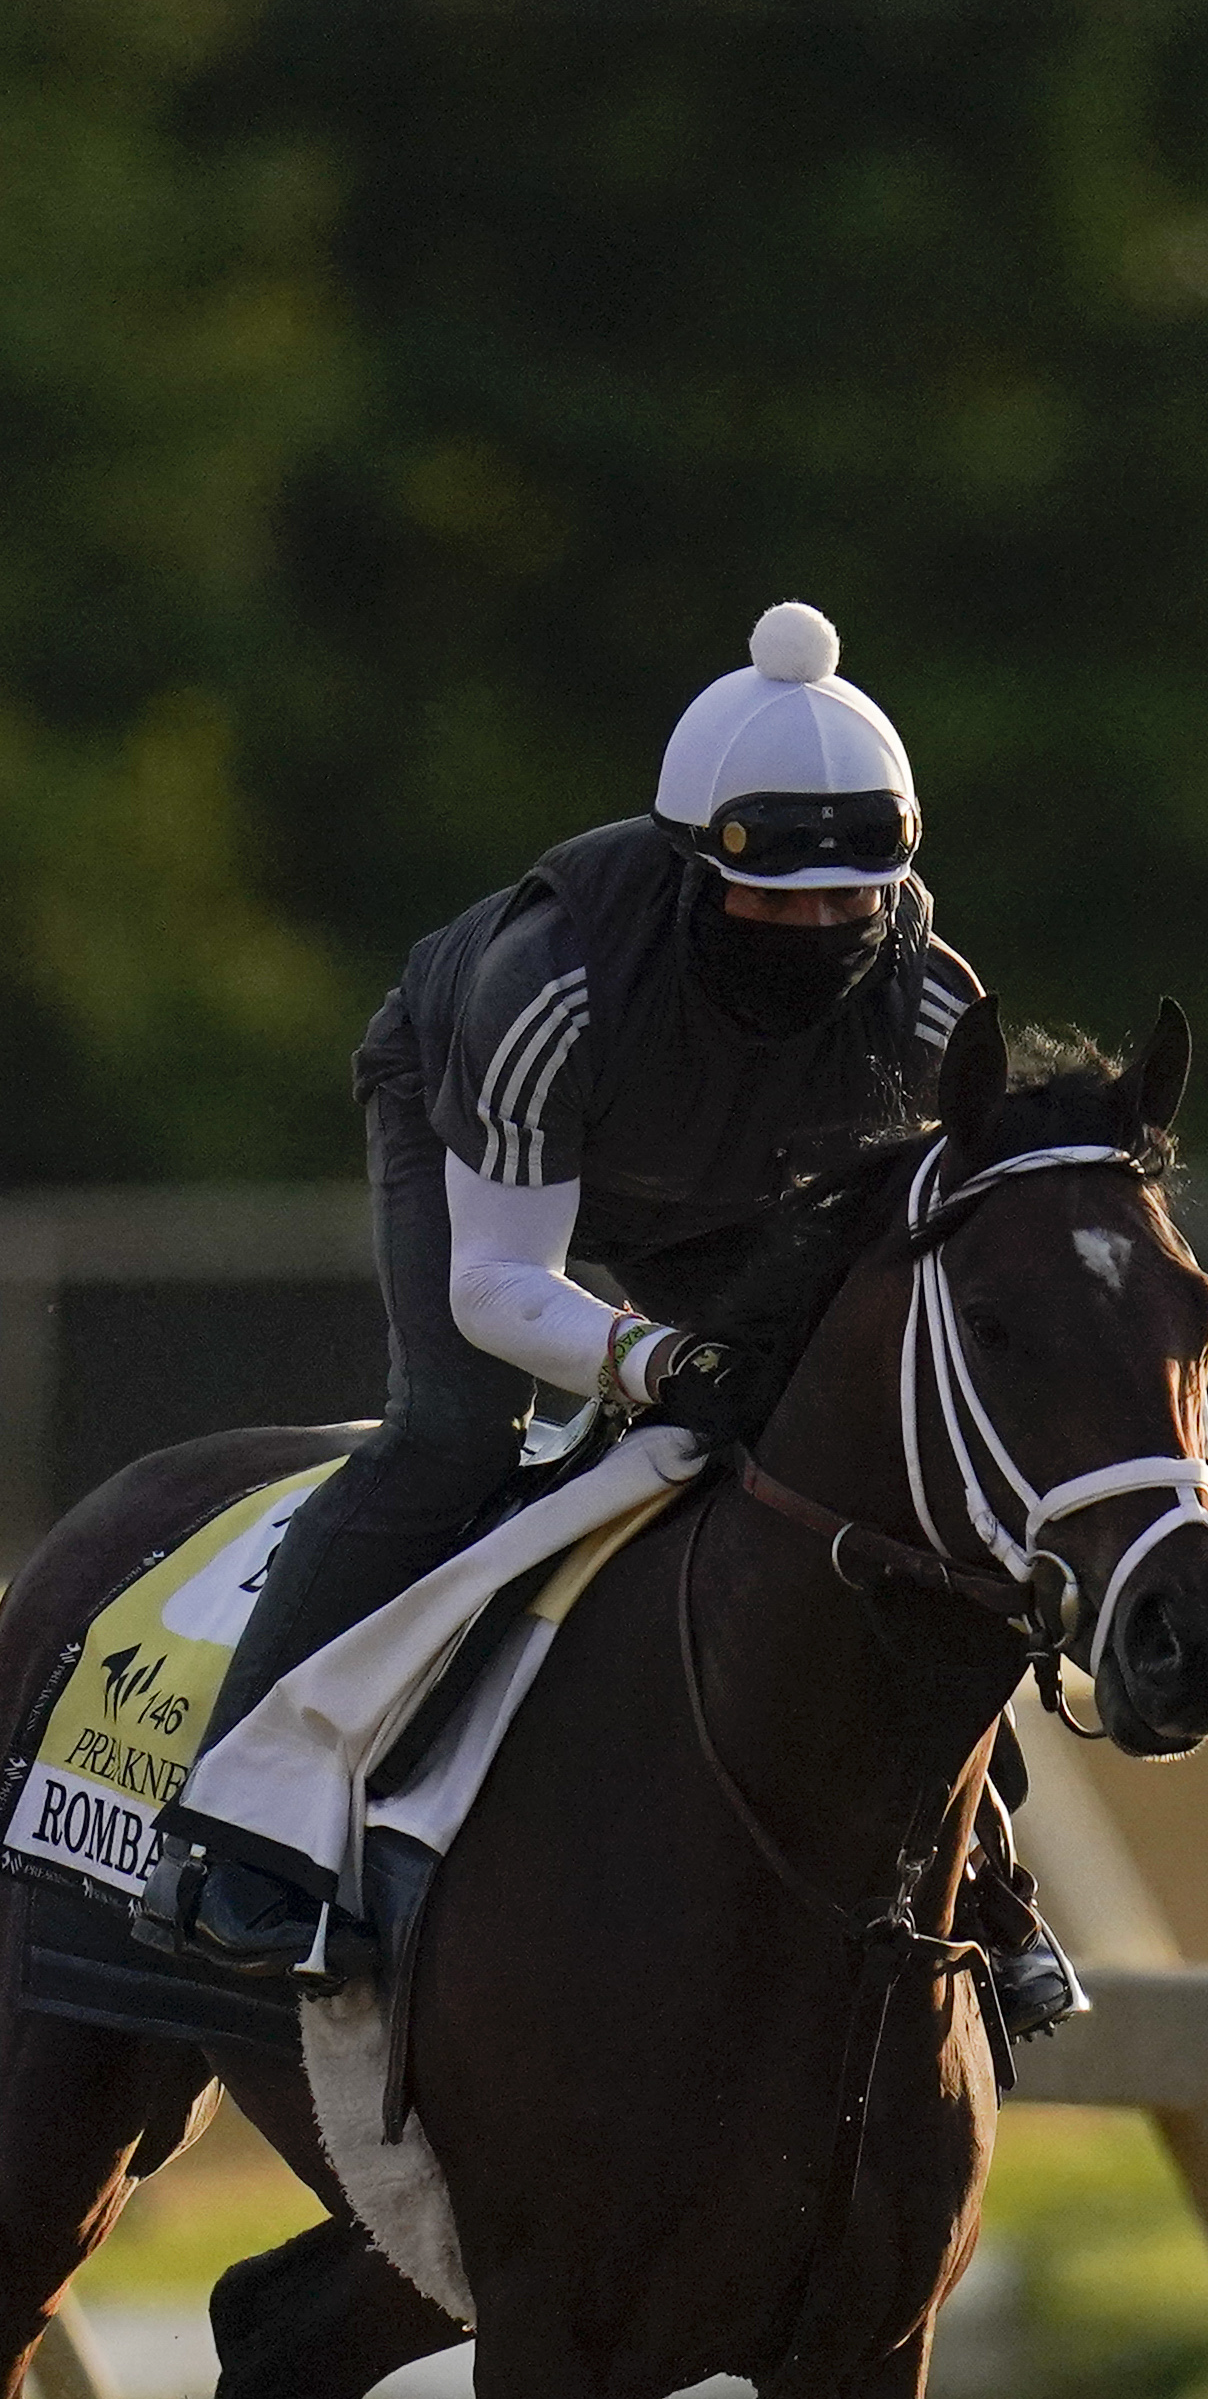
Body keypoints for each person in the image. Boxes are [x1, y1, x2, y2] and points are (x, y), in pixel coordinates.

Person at [138, 600, 1084, 2032]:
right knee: (456, 1437)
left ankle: (987, 1870)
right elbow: (495, 1285)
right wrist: (654, 1358)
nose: (821, 929)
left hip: (735, 1182)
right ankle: (234, 1825)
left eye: (853, 901)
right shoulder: (549, 988)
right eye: (781, 900)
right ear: (699, 871)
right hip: (482, 1138)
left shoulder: (936, 1010)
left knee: (852, 1469)